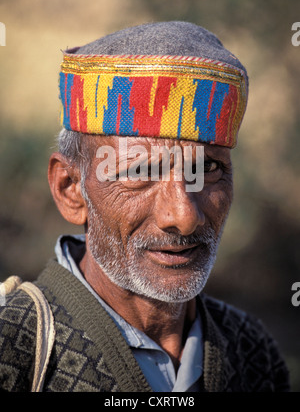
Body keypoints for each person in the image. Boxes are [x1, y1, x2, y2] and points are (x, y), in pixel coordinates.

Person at [0, 21, 289, 392]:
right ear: (71, 189)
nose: (183, 217)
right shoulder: (16, 348)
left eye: (207, 168)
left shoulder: (252, 351)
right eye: (139, 172)